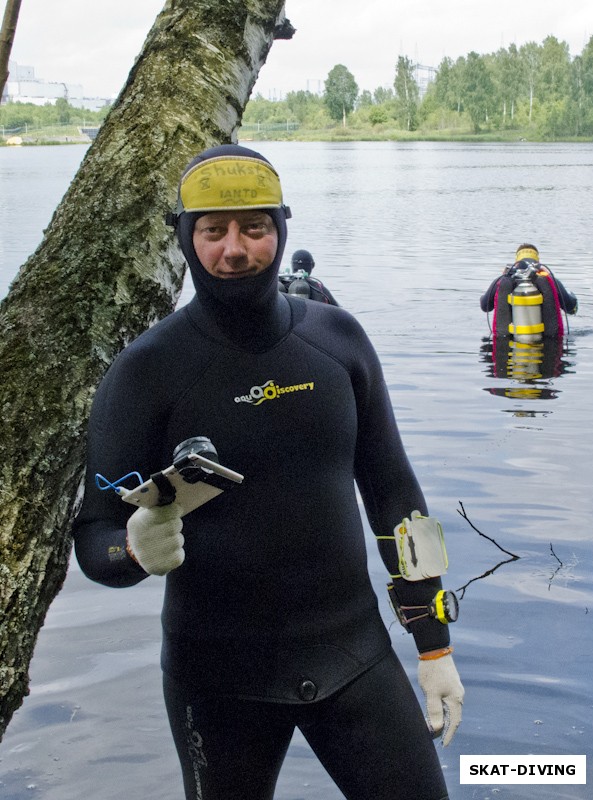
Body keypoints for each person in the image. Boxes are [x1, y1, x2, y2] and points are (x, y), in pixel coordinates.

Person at [73, 144, 464, 800]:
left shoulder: (338, 342)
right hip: (217, 680)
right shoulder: (145, 373)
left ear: (282, 231)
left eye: (254, 229)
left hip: (353, 657)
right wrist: (134, 548)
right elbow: (94, 538)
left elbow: (399, 504)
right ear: (184, 236)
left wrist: (433, 644)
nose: (234, 250)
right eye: (213, 230)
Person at [480, 243, 578, 337]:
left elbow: (485, 306)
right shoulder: (549, 280)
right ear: (537, 260)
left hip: (508, 339)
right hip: (547, 339)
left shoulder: (503, 279)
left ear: (517, 260)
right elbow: (570, 307)